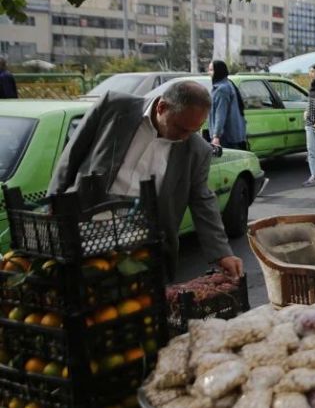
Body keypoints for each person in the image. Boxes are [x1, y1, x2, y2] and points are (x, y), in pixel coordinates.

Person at [48, 81, 243, 280]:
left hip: (144, 245)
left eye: (193, 131)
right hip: (88, 227)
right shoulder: (114, 107)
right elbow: (73, 153)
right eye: (181, 128)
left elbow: (202, 200)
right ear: (161, 107)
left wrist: (222, 253)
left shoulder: (197, 150)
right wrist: (54, 201)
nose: (185, 137)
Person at [208, 60, 247, 151]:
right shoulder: (228, 84)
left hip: (225, 136)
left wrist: (216, 136)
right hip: (232, 134)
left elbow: (220, 114)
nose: (208, 73)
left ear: (218, 71)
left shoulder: (222, 89)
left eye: (211, 70)